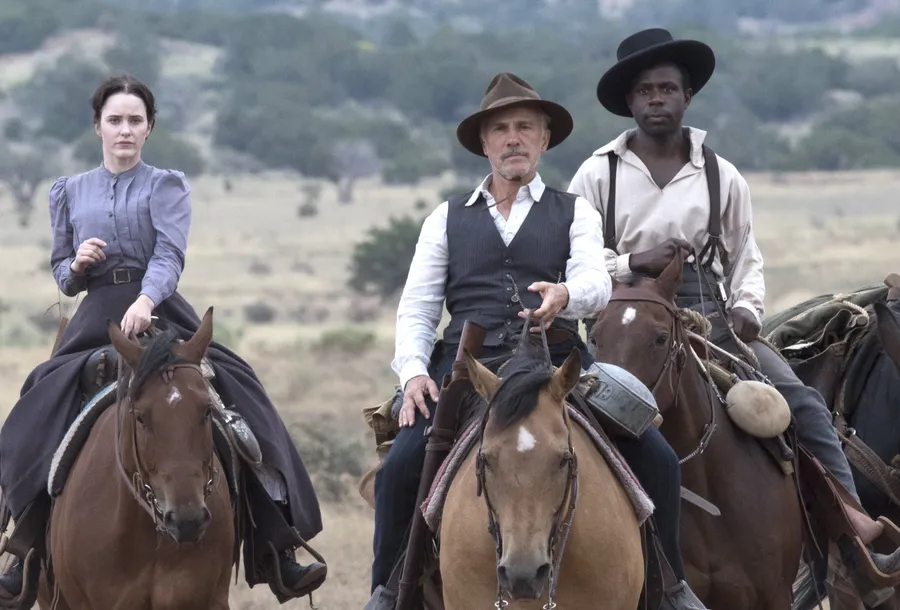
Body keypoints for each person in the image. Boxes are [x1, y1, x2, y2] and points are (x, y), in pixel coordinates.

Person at [568, 26, 900, 604]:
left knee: (802, 403)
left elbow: (746, 256)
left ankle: (853, 535)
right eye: (644, 90)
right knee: (574, 420)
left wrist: (746, 308)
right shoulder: (598, 174)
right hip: (626, 319)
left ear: (687, 96)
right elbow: (576, 258)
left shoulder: (722, 174)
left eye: (666, 88)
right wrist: (632, 262)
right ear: (629, 100)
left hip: (709, 316)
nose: (655, 99)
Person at [370, 71, 707, 610]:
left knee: (658, 457)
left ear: (544, 139)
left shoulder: (573, 211)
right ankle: (388, 592)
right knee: (400, 468)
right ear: (484, 144)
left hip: (560, 369)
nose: (513, 139)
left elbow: (597, 282)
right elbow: (419, 306)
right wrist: (412, 372)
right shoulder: (444, 219)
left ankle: (670, 588)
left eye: (525, 127)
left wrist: (565, 295)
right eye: (501, 129)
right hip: (468, 371)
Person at [0, 74, 326, 604]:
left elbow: (170, 255)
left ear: (149, 128)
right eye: (115, 120)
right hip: (95, 317)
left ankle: (277, 543)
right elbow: (62, 273)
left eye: (135, 120)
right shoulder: (68, 190)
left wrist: (146, 300)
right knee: (39, 400)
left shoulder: (166, 185)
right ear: (98, 127)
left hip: (161, 311)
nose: (125, 130)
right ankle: (24, 548)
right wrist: (77, 265)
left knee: (240, 390)